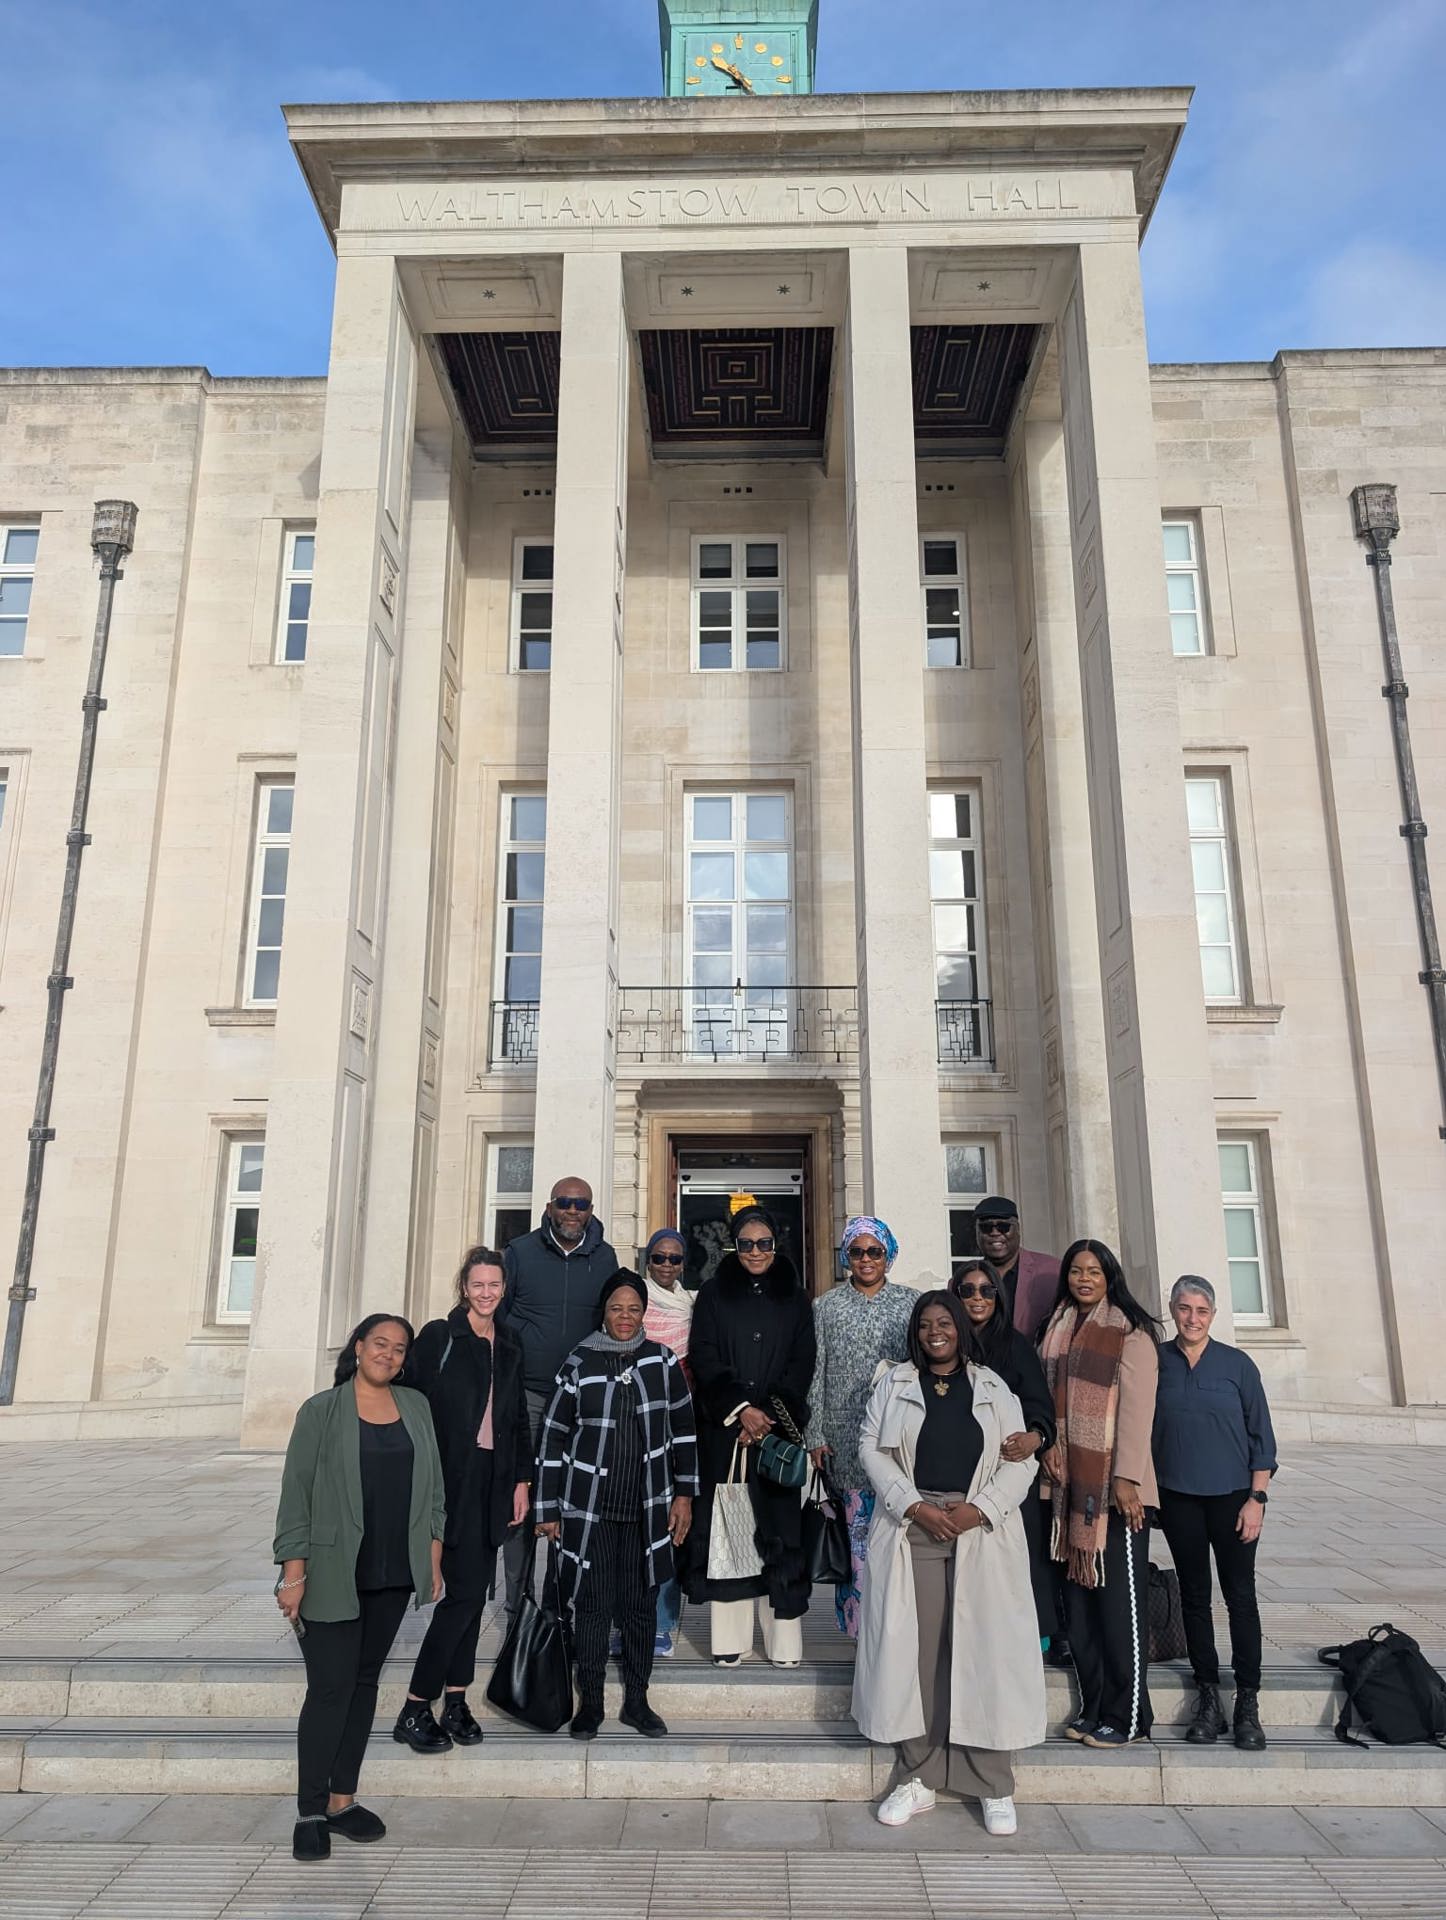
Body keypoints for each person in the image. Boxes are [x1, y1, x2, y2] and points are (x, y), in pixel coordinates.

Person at [853, 1290, 1046, 1837]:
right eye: (925, 1325)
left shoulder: (993, 1387)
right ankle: (918, 1775)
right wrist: (912, 1505)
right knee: (919, 1653)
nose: (934, 1332)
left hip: (978, 1530)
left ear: (961, 1328)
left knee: (983, 1650)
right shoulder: (893, 1384)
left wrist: (976, 1511)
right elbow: (871, 1448)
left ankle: (991, 1781)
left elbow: (1021, 1460)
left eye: (944, 1323)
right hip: (915, 1527)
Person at [273, 1314, 445, 1864]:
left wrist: (433, 1562)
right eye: (380, 1344)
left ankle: (343, 1800)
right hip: (331, 1572)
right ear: (357, 1346)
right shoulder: (321, 1411)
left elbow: (434, 1491)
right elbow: (295, 1498)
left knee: (365, 1682)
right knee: (329, 1688)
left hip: (394, 1574)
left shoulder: (416, 1406)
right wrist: (293, 1574)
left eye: (398, 1349)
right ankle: (309, 1810)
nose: (388, 1355)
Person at [535, 1271, 698, 1739]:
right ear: (603, 1312)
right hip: (590, 1511)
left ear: (643, 1312)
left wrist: (683, 1495)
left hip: (647, 1510)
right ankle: (591, 1703)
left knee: (640, 1607)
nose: (625, 1317)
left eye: (633, 1308)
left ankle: (637, 1700)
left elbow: (684, 1434)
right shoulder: (579, 1362)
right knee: (591, 1607)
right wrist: (547, 1509)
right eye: (616, 1308)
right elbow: (552, 1437)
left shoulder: (662, 1361)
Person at [393, 1247, 532, 1754]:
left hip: (494, 1482)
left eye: (494, 1284)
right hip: (449, 1480)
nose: (487, 1293)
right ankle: (414, 1706)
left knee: (471, 1598)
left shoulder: (511, 1341)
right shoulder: (439, 1336)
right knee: (465, 1597)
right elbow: (408, 1401)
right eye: (478, 1284)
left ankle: (454, 1701)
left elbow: (517, 1417)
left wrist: (523, 1480)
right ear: (464, 1287)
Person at [1038, 1240, 1160, 1751]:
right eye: (1075, 1271)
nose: (1083, 1278)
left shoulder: (1131, 1335)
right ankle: (1094, 1706)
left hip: (1115, 1496)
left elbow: (1136, 1414)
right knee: (1080, 1611)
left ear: (1110, 1275)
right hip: (1069, 1491)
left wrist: (1127, 1478)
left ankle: (1130, 1714)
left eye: (1093, 1271)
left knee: (1118, 1609)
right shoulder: (1057, 1328)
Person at [685, 1203, 816, 1667]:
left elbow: (803, 1364)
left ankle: (784, 1645)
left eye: (763, 1243)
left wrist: (769, 1415)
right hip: (728, 1437)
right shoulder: (714, 1295)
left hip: (777, 1434)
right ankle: (730, 1641)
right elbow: (703, 1355)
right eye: (746, 1244)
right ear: (733, 1246)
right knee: (731, 1533)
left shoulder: (797, 1300)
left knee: (781, 1532)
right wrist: (740, 1410)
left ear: (775, 1245)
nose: (755, 1251)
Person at [1154, 1274, 1277, 1752]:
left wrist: (1257, 1499)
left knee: (1240, 1598)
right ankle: (1208, 1695)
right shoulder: (1158, 1363)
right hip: (1179, 1497)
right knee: (1194, 1598)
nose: (1192, 1318)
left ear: (1213, 1315)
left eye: (1202, 1310)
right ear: (1172, 1310)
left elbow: (1261, 1438)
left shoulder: (1237, 1365)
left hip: (1232, 1499)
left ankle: (1248, 1699)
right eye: (1184, 1309)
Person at [498, 1175, 618, 1613]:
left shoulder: (605, 1258)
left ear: (590, 1209)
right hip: (528, 1394)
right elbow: (499, 1315)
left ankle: (562, 1601)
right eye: (565, 1203)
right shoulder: (520, 1253)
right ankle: (518, 1605)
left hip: (579, 1400)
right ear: (549, 1207)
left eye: (581, 1204)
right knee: (523, 1499)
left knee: (574, 1497)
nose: (573, 1211)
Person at [804, 1215, 915, 1636]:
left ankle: (897, 1630)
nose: (866, 1260)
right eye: (857, 1252)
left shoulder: (910, 1302)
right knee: (855, 1543)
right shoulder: (826, 1306)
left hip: (897, 1440)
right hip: (844, 1440)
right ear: (846, 1256)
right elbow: (817, 1371)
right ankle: (858, 1634)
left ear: (889, 1255)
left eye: (875, 1252)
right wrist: (814, 1433)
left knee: (896, 1538)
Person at [948, 1257, 1061, 1650]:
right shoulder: (945, 1342)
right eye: (967, 1291)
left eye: (986, 1290)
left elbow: (1039, 1405)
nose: (977, 1298)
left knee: (1020, 1557)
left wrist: (1036, 1436)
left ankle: (1037, 1635)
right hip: (956, 1475)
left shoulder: (1014, 1345)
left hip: (1006, 1474)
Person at [640, 1227, 695, 1656]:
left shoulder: (691, 1307)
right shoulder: (632, 1300)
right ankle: (629, 1616)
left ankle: (662, 1621)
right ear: (647, 1260)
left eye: (674, 1259)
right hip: (632, 1425)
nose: (666, 1266)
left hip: (678, 1426)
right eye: (659, 1258)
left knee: (669, 1526)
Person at [973, 1196, 1057, 1343]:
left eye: (1003, 1227)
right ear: (977, 1233)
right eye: (986, 1227)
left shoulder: (1052, 1271)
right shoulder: (963, 1281)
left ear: (1018, 1229)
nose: (995, 1233)